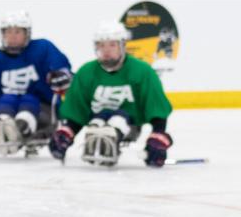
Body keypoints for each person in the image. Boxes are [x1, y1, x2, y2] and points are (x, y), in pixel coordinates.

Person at [48, 22, 174, 167]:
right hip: (96, 123)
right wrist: (66, 133)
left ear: (122, 46)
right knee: (97, 124)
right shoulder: (86, 72)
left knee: (117, 119)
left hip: (130, 125)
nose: (106, 50)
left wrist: (158, 135)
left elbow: (155, 106)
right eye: (102, 46)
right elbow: (78, 111)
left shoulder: (143, 71)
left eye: (112, 45)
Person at [0, 11, 72, 155]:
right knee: (6, 100)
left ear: (27, 33)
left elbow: (61, 66)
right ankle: (5, 126)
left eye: (18, 32)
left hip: (42, 110)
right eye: (8, 32)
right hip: (7, 106)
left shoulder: (42, 48)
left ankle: (21, 127)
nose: (12, 36)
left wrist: (61, 74)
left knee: (28, 100)